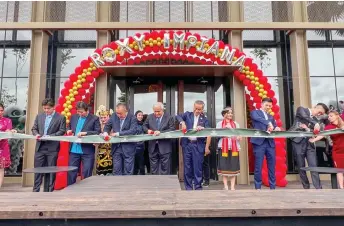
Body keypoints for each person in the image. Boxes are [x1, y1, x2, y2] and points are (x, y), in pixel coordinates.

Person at [289, 102, 329, 189]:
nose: (319, 114)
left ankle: (318, 188)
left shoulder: (316, 120)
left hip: (309, 142)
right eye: (320, 111)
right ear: (315, 107)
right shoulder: (302, 109)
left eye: (321, 114)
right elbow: (305, 117)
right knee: (301, 166)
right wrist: (316, 123)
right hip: (298, 142)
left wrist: (309, 128)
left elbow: (314, 130)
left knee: (313, 165)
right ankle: (306, 187)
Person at [31, 98, 66, 192]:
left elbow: (62, 131)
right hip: (40, 146)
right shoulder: (39, 116)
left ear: (53, 107)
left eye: (48, 108)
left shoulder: (60, 117)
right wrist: (36, 134)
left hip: (52, 147)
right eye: (44, 108)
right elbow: (34, 129)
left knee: (51, 169)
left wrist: (50, 136)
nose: (46, 110)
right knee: (38, 169)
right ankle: (36, 190)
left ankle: (49, 190)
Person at [176, 100, 211, 190]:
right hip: (187, 144)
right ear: (193, 107)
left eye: (199, 109)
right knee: (187, 167)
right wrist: (182, 122)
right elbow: (178, 116)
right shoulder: (187, 115)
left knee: (198, 167)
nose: (197, 110)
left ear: (202, 109)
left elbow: (209, 132)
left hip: (198, 145)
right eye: (196, 108)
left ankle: (198, 187)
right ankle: (188, 187)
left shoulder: (205, 119)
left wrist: (203, 128)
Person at [250, 98, 281, 190]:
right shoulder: (255, 112)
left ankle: (272, 186)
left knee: (272, 165)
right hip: (259, 142)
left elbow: (274, 126)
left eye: (270, 106)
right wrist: (268, 123)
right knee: (258, 165)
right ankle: (258, 187)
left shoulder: (271, 116)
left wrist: (276, 128)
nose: (268, 107)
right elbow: (257, 119)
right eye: (266, 105)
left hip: (270, 143)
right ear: (262, 104)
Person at [67, 101, 101, 185]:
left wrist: (85, 133)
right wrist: (68, 130)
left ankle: (86, 191)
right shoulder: (74, 117)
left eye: (81, 112)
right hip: (74, 150)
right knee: (71, 172)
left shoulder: (94, 118)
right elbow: (69, 126)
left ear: (87, 110)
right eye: (78, 112)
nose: (80, 114)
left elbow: (97, 131)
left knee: (87, 172)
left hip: (87, 150)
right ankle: (70, 190)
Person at [309, 110, 344, 189]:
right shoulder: (329, 127)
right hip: (337, 152)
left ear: (337, 115)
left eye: (331, 116)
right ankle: (342, 188)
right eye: (328, 116)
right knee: (339, 170)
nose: (329, 118)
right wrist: (314, 140)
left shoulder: (343, 124)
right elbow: (323, 135)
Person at [103, 103, 137, 175]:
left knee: (128, 171)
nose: (118, 115)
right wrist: (105, 133)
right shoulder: (114, 116)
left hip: (128, 148)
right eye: (117, 113)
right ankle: (117, 186)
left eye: (120, 113)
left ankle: (127, 186)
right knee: (116, 170)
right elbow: (107, 126)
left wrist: (118, 134)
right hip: (116, 147)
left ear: (126, 111)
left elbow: (133, 131)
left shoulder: (132, 118)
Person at [143, 102, 175, 175]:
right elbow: (144, 126)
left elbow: (172, 129)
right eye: (155, 111)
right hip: (152, 147)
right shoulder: (149, 117)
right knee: (153, 168)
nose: (156, 113)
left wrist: (160, 132)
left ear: (162, 110)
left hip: (165, 147)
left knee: (165, 168)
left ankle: (164, 184)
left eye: (158, 111)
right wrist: (147, 130)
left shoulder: (169, 117)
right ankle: (155, 184)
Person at [217, 107, 241, 191]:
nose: (230, 114)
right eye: (228, 113)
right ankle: (226, 186)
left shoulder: (236, 124)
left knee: (233, 167)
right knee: (224, 166)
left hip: (234, 147)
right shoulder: (220, 124)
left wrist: (238, 137)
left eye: (231, 113)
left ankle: (232, 187)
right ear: (224, 114)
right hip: (223, 147)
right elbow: (218, 134)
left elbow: (240, 136)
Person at [0, 103, 16, 188]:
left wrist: (11, 131)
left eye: (1, 110)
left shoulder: (7, 120)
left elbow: (8, 130)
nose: (0, 112)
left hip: (3, 147)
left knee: (1, 168)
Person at [95, 105, 113, 176]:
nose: (103, 119)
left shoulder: (112, 126)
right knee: (100, 169)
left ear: (109, 117)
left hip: (111, 150)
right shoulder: (98, 126)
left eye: (105, 117)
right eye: (101, 118)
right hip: (101, 150)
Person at [134, 110, 145, 175]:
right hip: (134, 146)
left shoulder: (144, 124)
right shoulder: (133, 124)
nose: (141, 116)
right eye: (139, 115)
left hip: (142, 146)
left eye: (142, 115)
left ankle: (142, 174)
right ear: (136, 116)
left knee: (141, 162)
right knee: (135, 162)